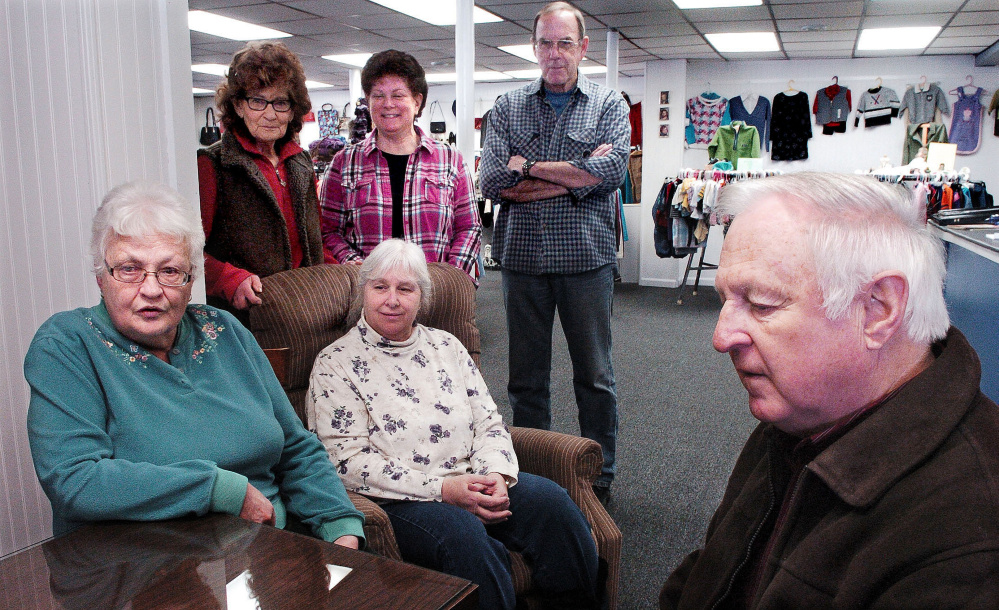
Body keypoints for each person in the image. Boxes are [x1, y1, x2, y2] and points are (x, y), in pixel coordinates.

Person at [661, 172, 999, 608]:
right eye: (724, 300)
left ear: (879, 309)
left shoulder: (969, 540)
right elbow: (709, 572)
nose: (721, 337)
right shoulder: (805, 414)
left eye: (762, 304)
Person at [25, 181, 364, 550]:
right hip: (142, 569)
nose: (151, 289)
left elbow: (296, 448)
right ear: (100, 276)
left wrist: (340, 527)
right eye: (129, 269)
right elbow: (76, 481)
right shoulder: (67, 344)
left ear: (191, 281)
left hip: (266, 555)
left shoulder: (224, 330)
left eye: (170, 271)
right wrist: (219, 488)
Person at [307, 239, 599, 610]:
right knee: (465, 537)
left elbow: (488, 421)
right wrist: (444, 490)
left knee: (553, 505)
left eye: (405, 288)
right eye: (380, 287)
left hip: (472, 477)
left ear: (422, 296)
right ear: (363, 291)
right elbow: (346, 462)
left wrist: (496, 474)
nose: (392, 299)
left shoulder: (447, 346)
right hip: (401, 500)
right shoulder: (335, 363)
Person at [478, 1, 630, 499]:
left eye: (565, 42)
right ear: (535, 47)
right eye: (546, 42)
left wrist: (530, 167)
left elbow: (611, 174)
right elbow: (493, 180)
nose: (555, 53)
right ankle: (536, 474)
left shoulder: (609, 105)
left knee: (595, 375)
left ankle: (598, 474)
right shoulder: (506, 107)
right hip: (522, 261)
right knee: (526, 381)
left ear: (583, 47)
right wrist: (576, 173)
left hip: (587, 261)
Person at [320, 50, 481, 282]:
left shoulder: (450, 159)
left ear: (417, 102)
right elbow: (328, 231)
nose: (388, 104)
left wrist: (451, 276)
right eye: (378, 96)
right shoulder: (344, 162)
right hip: (368, 294)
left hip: (437, 292)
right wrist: (352, 263)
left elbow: (469, 228)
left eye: (398, 95)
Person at [198, 41, 325, 324]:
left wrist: (339, 280)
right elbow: (187, 253)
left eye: (280, 102)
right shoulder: (213, 164)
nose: (270, 114)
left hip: (304, 311)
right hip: (240, 320)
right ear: (238, 106)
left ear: (293, 110)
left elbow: (318, 243)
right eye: (257, 100)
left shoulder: (301, 162)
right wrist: (228, 279)